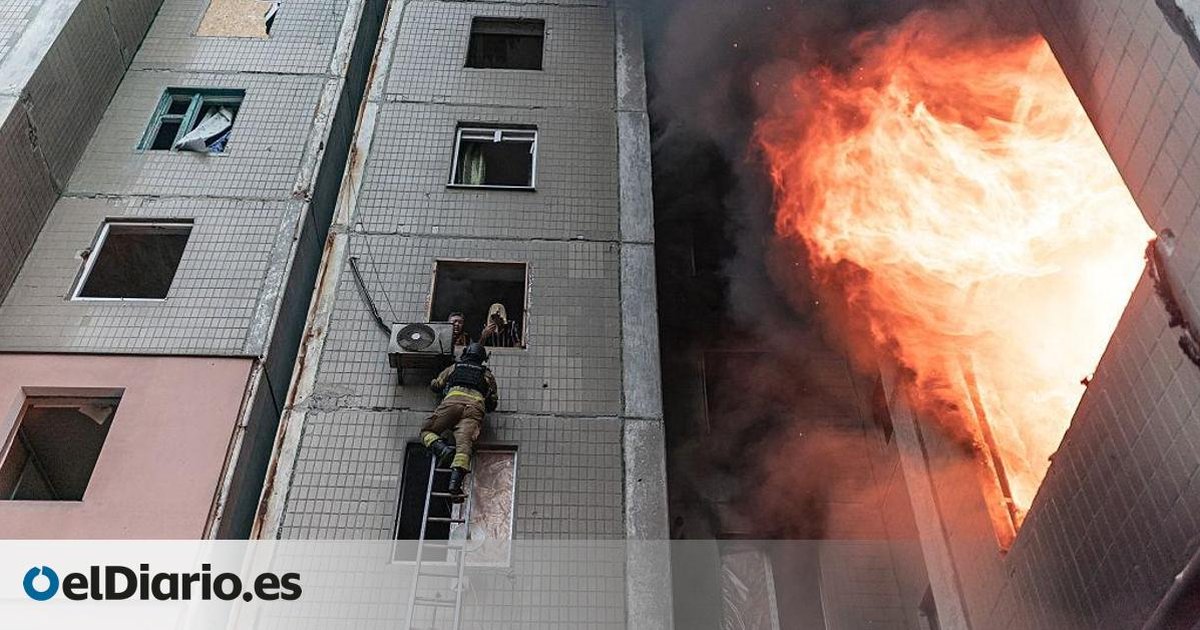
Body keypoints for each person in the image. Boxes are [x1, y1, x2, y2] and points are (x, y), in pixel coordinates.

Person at [422, 342, 499, 501]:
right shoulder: (488, 375)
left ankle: (443, 450)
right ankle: (454, 486)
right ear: (483, 358)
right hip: (474, 409)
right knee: (464, 449)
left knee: (426, 430)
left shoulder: (454, 367)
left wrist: (432, 383)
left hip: (452, 403)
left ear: (465, 353)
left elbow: (436, 385)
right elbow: (492, 403)